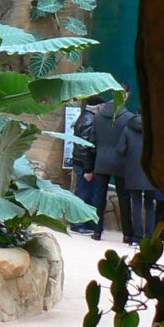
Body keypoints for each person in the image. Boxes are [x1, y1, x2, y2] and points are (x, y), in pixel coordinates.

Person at [86, 98, 133, 243]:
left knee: (99, 197)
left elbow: (91, 141)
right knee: (124, 198)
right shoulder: (129, 118)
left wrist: (89, 167)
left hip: (101, 161)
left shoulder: (98, 117)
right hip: (121, 161)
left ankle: (96, 231)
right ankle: (127, 234)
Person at [116, 109, 158, 246]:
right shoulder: (156, 129)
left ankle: (137, 238)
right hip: (151, 172)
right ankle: (150, 236)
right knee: (150, 205)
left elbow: (120, 150)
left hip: (133, 171)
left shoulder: (129, 128)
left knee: (136, 203)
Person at [68, 99, 100, 234]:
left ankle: (84, 222)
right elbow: (83, 146)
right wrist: (88, 169)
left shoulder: (84, 117)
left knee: (85, 193)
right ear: (98, 107)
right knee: (82, 194)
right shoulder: (89, 120)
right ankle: (77, 223)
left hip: (81, 163)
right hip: (84, 165)